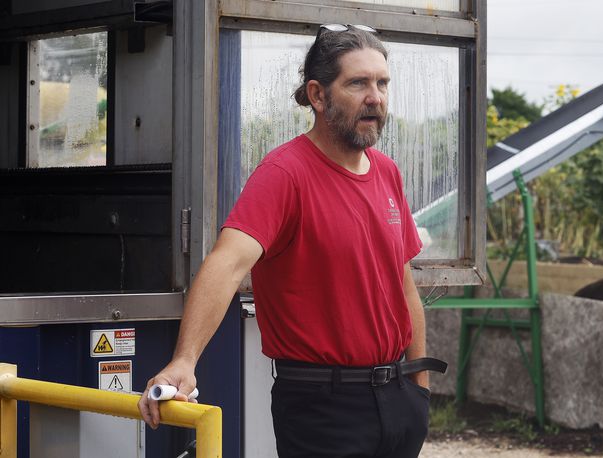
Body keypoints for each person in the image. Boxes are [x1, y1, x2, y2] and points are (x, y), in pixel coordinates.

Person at [137, 24, 446, 457]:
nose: (375, 96)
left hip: (399, 400)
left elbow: (403, 284)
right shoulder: (285, 173)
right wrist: (185, 360)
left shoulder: (388, 172)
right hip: (324, 407)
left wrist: (419, 388)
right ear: (318, 96)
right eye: (357, 83)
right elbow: (227, 265)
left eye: (382, 83)